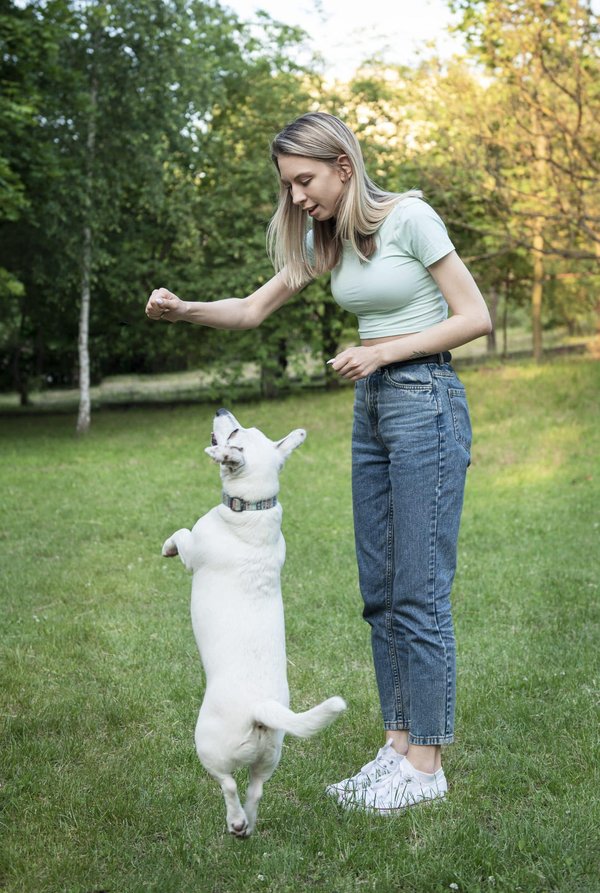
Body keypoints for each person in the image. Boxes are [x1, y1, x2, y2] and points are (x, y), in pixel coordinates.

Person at [145, 112, 492, 813]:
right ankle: (396, 749)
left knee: (419, 591)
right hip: (373, 411)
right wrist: (184, 310)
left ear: (342, 164)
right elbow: (250, 310)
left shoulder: (410, 218)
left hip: (424, 400)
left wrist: (384, 350)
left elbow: (475, 314)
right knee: (379, 590)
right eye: (289, 186)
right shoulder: (325, 240)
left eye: (304, 181)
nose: (298, 197)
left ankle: (427, 765)